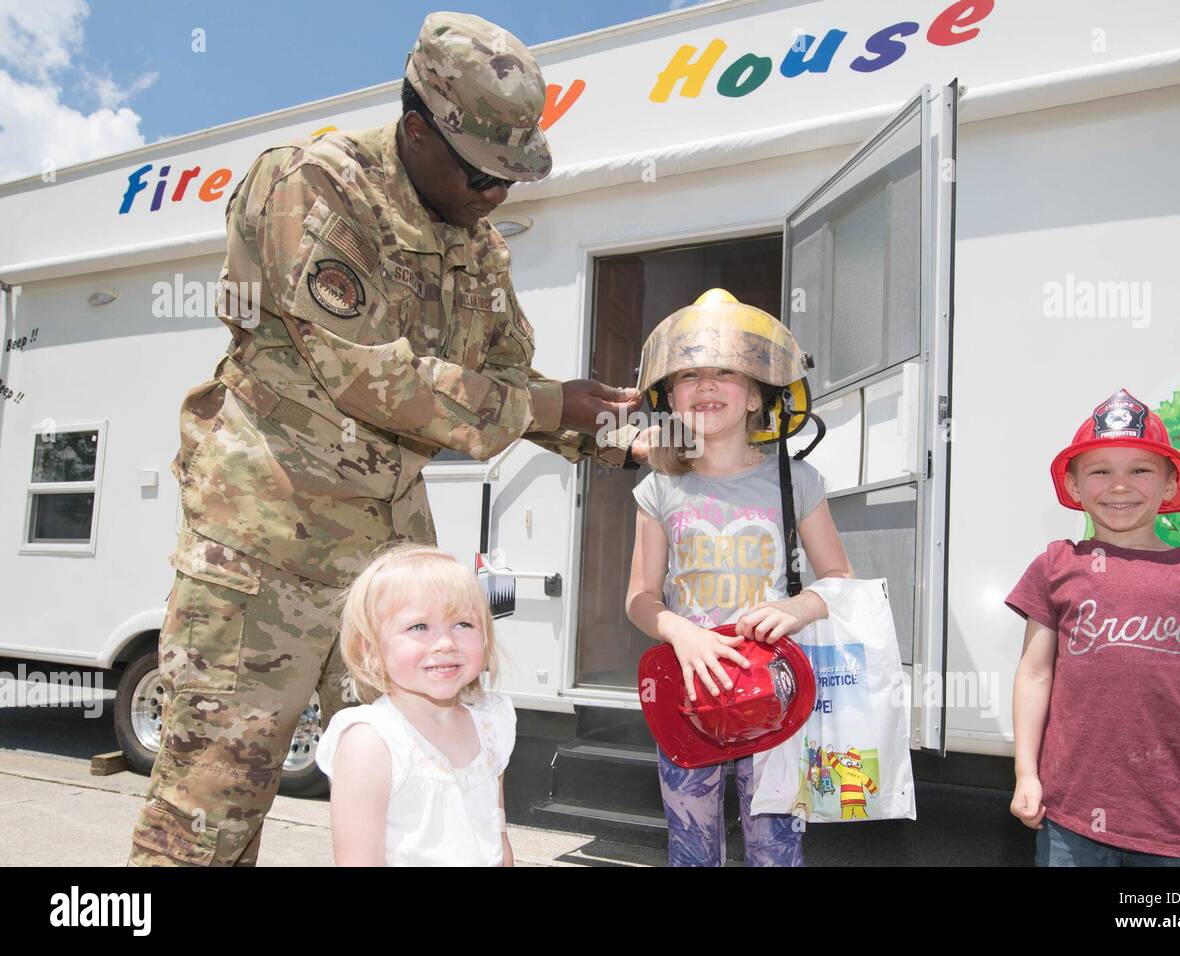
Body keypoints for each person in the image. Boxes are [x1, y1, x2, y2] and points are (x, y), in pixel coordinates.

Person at [128, 12, 643, 866]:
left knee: (432, 789)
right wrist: (559, 409)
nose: (495, 198)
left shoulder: (475, 247)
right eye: (483, 175)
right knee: (214, 803)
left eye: (511, 179)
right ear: (417, 130)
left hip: (390, 569)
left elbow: (518, 384)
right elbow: (371, 376)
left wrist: (643, 437)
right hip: (265, 546)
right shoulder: (313, 186)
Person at [625, 289, 852, 866]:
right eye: (690, 374)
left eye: (726, 372)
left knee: (775, 849)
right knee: (690, 849)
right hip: (689, 693)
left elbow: (839, 579)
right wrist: (682, 632)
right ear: (668, 397)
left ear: (756, 395)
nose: (706, 385)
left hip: (778, 695)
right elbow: (640, 599)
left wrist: (800, 609)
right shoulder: (658, 488)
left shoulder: (796, 480)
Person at [1005, 388, 1180, 866]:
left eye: (1140, 470)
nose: (1120, 486)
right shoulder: (1055, 564)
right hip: (1070, 823)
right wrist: (1027, 772)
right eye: (1101, 470)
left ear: (1170, 485)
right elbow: (1034, 674)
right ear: (1075, 485)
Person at [314, 544, 513, 866]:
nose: (446, 643)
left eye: (463, 624)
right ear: (371, 649)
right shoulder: (372, 742)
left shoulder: (492, 724)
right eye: (419, 627)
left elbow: (498, 835)